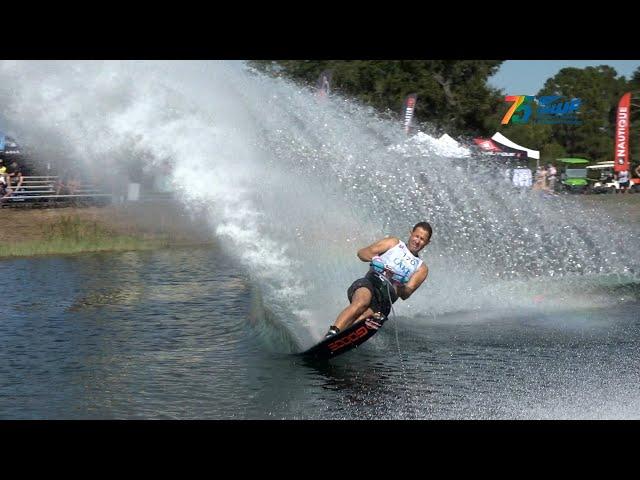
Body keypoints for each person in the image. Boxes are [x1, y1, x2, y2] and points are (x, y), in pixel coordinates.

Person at [325, 221, 432, 338]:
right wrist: (375, 259)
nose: (417, 241)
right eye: (416, 236)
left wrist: (400, 286)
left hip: (384, 301)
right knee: (362, 302)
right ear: (411, 233)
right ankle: (332, 333)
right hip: (369, 283)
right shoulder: (393, 243)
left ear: (427, 242)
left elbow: (406, 294)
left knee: (365, 317)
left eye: (422, 239)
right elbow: (361, 253)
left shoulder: (421, 268)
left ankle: (341, 339)